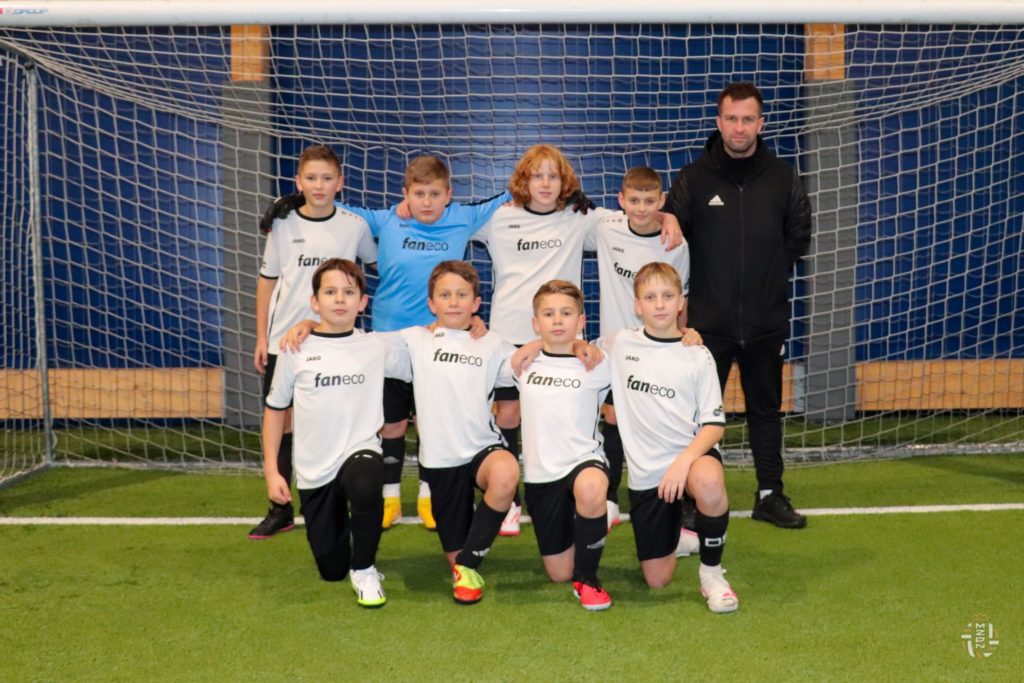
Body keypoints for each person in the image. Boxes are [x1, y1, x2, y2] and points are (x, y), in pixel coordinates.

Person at [263, 156, 508, 531]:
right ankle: (390, 498)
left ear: (449, 195)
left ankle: (429, 495)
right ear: (405, 194)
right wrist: (292, 201)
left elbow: (513, 193)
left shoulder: (465, 217)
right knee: (390, 424)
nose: (426, 202)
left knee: (432, 422)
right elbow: (335, 205)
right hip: (389, 339)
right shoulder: (385, 219)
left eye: (435, 194)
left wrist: (567, 194)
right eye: (418, 194)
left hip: (439, 341)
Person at [473, 144, 684, 535]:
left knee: (572, 416)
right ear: (523, 180)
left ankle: (582, 491)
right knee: (508, 414)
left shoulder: (580, 218)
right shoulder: (498, 217)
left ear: (564, 181)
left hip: (565, 341)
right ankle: (509, 500)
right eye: (537, 176)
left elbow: (636, 215)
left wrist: (667, 215)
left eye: (553, 176)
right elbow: (450, 224)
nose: (545, 183)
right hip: (510, 334)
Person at [665, 82, 812, 529]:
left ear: (761, 124)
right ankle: (691, 497)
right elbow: (670, 236)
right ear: (719, 122)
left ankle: (770, 495)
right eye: (731, 119)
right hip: (707, 326)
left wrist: (765, 282)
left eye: (748, 119)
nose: (739, 128)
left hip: (766, 321)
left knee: (765, 411)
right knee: (698, 415)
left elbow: (799, 238)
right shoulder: (693, 178)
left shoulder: (783, 178)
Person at [262, 259, 410, 608]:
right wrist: (271, 471)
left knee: (366, 483)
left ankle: (365, 569)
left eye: (348, 292)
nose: (340, 299)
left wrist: (473, 326)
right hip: (315, 468)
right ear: (315, 302)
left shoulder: (376, 346)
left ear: (363, 302)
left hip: (360, 452)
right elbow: (275, 410)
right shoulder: (295, 349)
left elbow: (430, 340)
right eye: (330, 292)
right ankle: (344, 542)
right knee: (331, 569)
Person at [250, 144, 377, 540]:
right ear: (298, 182)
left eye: (326, 178)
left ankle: (331, 496)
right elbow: (267, 282)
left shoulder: (355, 226)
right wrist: (261, 337)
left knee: (328, 419)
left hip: (332, 342)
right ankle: (280, 508)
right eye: (310, 178)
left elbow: (377, 265)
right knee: (282, 420)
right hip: (285, 343)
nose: (318, 186)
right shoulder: (283, 224)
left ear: (340, 182)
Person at [598, 263, 737, 613]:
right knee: (657, 579)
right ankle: (680, 536)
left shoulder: (697, 354)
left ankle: (712, 575)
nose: (659, 304)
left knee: (708, 482)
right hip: (648, 475)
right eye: (650, 297)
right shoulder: (620, 343)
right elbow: (575, 348)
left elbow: (714, 426)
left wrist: (683, 463)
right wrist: (532, 345)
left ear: (680, 302)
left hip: (690, 457)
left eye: (667, 296)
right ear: (637, 305)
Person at [590, 166, 691, 529]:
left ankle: (668, 492)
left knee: (659, 417)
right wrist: (668, 214)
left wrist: (681, 338)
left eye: (650, 201)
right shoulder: (606, 229)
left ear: (661, 200)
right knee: (613, 417)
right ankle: (610, 497)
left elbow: (682, 296)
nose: (642, 208)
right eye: (634, 200)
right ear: (621, 200)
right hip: (615, 347)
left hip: (658, 347)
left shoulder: (675, 244)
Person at [512, 280, 613, 611]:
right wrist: (533, 345)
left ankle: (588, 579)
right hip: (542, 475)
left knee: (592, 487)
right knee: (559, 573)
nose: (557, 320)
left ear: (581, 321)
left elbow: (642, 351)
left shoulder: (598, 364)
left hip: (584, 460)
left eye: (567, 313)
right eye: (549, 314)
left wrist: (689, 336)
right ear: (535, 322)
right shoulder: (520, 363)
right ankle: (584, 520)